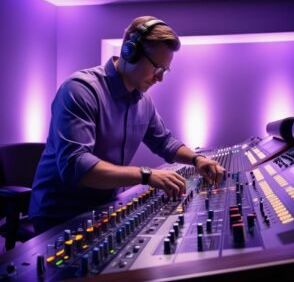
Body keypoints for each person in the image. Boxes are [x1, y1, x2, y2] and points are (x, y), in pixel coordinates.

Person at [29, 15, 225, 235]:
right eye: (156, 68)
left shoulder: (143, 100)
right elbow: (76, 165)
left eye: (164, 71)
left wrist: (196, 160)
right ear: (129, 52)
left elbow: (164, 142)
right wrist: (146, 175)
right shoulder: (80, 90)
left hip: (102, 208)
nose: (159, 78)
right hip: (60, 216)